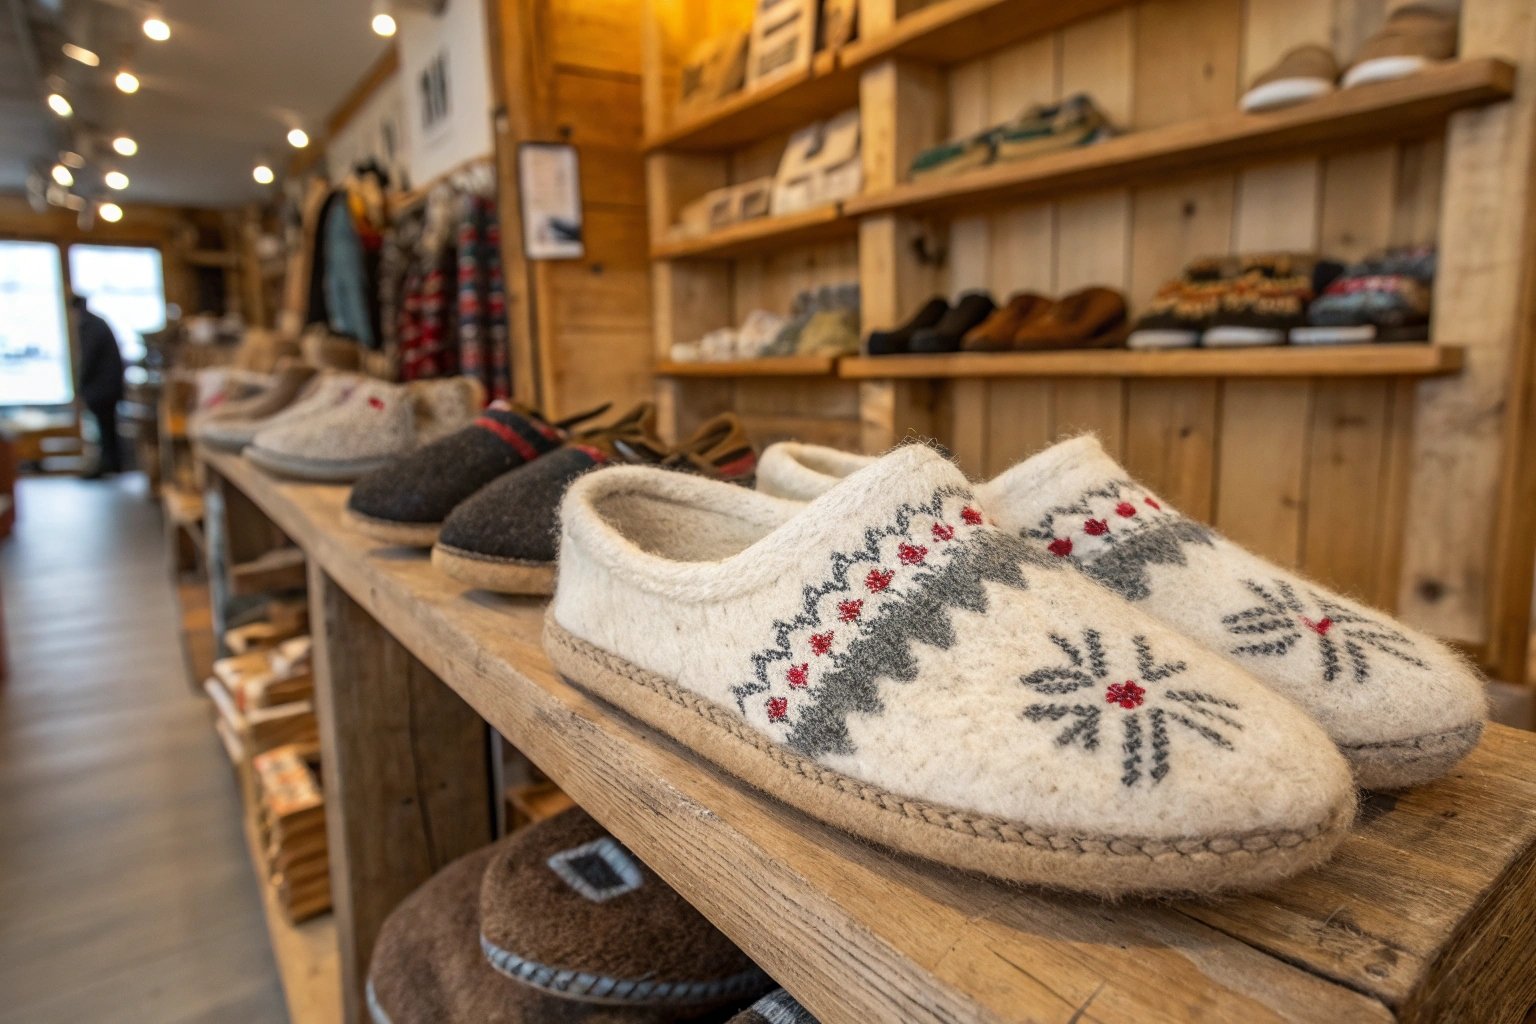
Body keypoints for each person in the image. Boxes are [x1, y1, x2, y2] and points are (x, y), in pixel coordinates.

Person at [71, 294, 126, 478]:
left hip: (103, 388)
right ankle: (111, 464)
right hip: (108, 386)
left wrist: (80, 386)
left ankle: (109, 464)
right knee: (107, 427)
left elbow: (89, 359)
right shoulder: (97, 322)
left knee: (105, 428)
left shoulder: (90, 325)